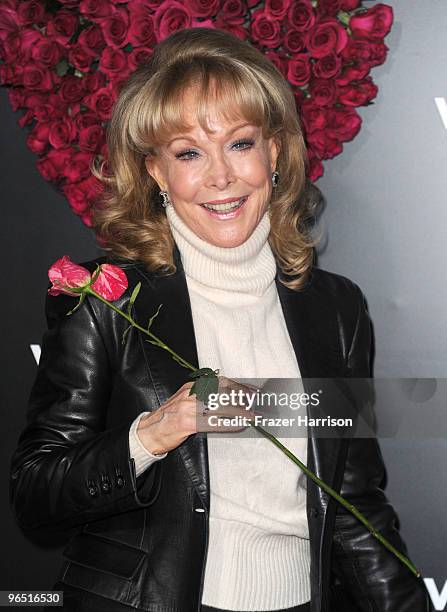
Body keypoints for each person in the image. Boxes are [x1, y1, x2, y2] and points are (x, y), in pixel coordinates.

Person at [10, 27, 431, 612]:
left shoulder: (336, 309)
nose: (221, 177)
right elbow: (37, 494)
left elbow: (354, 500)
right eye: (188, 153)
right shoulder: (106, 300)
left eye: (239, 144)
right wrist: (155, 432)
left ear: (275, 152)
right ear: (156, 173)